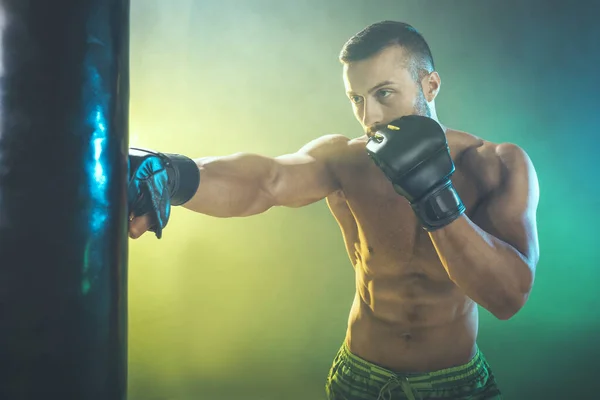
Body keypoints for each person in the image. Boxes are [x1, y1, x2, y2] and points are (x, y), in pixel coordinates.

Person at [128, 21, 540, 400]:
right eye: (356, 99)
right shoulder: (347, 158)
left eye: (384, 94)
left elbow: (508, 298)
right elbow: (267, 181)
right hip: (361, 378)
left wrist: (434, 194)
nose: (369, 117)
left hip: (454, 384)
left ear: (429, 85)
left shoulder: (495, 165)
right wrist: (177, 176)